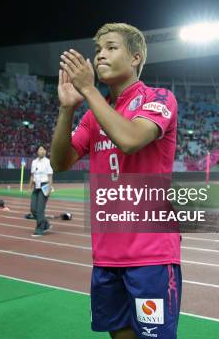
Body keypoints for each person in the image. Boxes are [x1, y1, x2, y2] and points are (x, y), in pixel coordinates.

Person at [51, 23, 181, 338]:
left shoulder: (159, 97)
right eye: (98, 51)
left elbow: (130, 139)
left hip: (150, 255)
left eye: (111, 48)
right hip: (107, 256)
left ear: (136, 58)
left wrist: (90, 90)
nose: (100, 56)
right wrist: (67, 110)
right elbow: (60, 162)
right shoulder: (94, 113)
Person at [29, 145, 54, 237]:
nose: (42, 151)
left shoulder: (48, 162)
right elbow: (32, 175)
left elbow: (50, 177)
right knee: (33, 209)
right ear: (37, 152)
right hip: (36, 186)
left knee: (40, 210)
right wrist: (29, 186)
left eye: (43, 149)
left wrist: (49, 189)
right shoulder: (34, 162)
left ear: (45, 152)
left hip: (45, 186)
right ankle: (46, 224)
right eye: (40, 149)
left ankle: (39, 229)